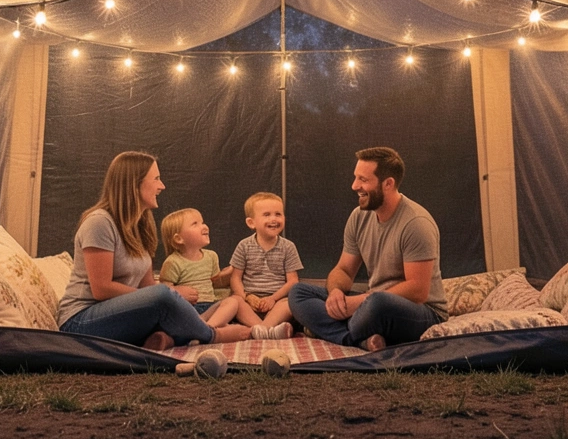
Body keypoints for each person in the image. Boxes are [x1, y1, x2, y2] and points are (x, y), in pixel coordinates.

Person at [57, 152, 253, 350]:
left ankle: (167, 339)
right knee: (162, 296)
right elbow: (102, 289)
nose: (162, 186)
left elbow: (146, 285)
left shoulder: (141, 226)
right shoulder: (99, 222)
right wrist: (169, 295)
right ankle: (212, 335)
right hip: (81, 321)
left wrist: (172, 299)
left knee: (206, 304)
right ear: (135, 183)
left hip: (120, 315)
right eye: (157, 179)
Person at [288, 147, 447, 351]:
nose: (355, 186)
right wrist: (336, 292)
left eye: (363, 180)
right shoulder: (359, 216)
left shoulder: (416, 223)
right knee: (298, 292)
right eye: (355, 178)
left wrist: (357, 303)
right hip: (371, 301)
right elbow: (344, 270)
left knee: (377, 304)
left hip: (421, 312)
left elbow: (417, 290)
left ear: (388, 183)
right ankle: (361, 340)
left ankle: (342, 333)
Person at [158, 207, 244, 331]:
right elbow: (164, 289)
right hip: (188, 308)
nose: (204, 226)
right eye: (195, 224)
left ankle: (207, 328)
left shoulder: (211, 256)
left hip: (210, 306)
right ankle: (209, 328)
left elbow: (215, 282)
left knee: (233, 302)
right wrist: (177, 290)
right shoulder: (173, 262)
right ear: (179, 239)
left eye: (202, 222)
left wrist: (230, 272)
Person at [229, 192, 300, 339]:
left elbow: (293, 281)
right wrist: (247, 297)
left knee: (289, 303)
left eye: (278, 214)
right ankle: (267, 331)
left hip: (276, 302)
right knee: (234, 301)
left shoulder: (288, 247)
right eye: (266, 215)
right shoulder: (244, 246)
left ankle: (262, 329)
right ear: (251, 222)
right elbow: (235, 278)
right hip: (250, 302)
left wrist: (273, 299)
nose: (273, 219)